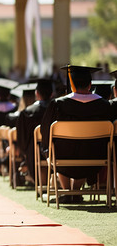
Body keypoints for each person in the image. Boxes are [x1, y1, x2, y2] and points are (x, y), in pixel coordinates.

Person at [40, 65, 112, 204]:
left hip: (62, 159)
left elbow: (45, 130)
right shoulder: (104, 105)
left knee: (56, 146)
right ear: (90, 85)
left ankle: (68, 192)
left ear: (71, 85)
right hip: (95, 158)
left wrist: (47, 151)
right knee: (86, 147)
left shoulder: (58, 104)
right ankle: (76, 191)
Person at [16, 79, 53, 182]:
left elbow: (22, 139)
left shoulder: (27, 113)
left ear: (37, 93)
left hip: (34, 154)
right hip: (55, 152)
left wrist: (25, 152)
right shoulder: (57, 110)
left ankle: (39, 180)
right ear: (52, 94)